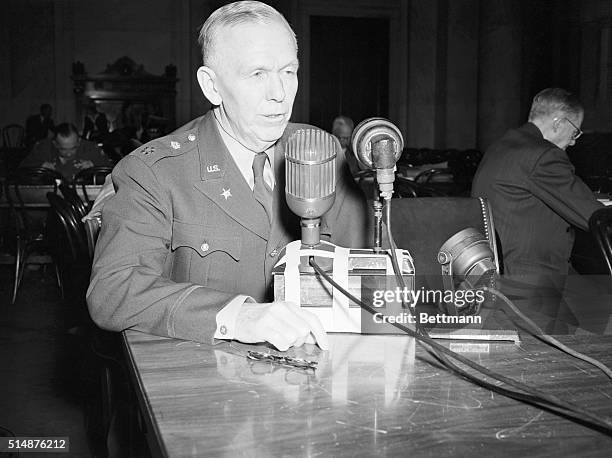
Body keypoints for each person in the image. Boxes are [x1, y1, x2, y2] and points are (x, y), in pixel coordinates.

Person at [87, 1, 369, 352]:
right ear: (211, 86)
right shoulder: (155, 172)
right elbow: (113, 290)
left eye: (288, 72)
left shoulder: (320, 151)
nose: (279, 94)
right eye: (257, 74)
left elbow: (363, 273)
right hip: (205, 382)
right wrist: (238, 316)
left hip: (315, 367)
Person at [471, 88, 602, 298]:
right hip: (531, 279)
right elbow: (594, 217)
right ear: (559, 123)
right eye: (575, 131)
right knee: (602, 305)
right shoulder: (544, 155)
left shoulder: (501, 145)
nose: (574, 141)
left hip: (497, 269)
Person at [20, 122, 113, 182]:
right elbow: (21, 170)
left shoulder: (90, 148)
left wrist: (94, 165)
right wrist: (41, 165)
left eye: (73, 148)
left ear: (79, 141)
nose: (68, 154)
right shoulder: (44, 147)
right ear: (55, 143)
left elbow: (112, 172)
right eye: (63, 149)